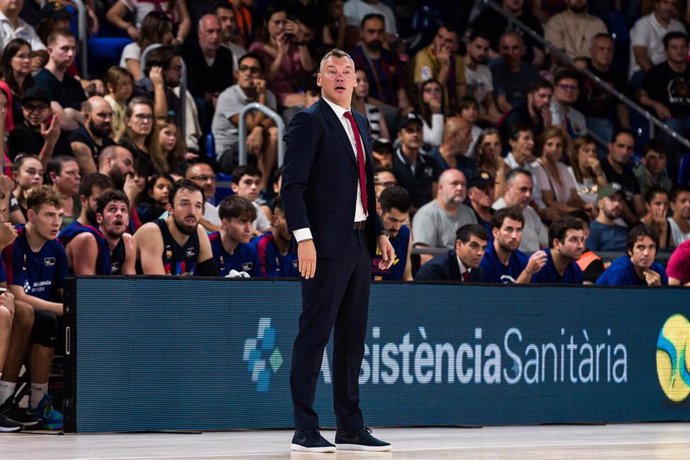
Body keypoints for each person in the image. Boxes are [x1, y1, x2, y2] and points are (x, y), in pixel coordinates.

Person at [281, 48, 393, 452]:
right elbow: (291, 188)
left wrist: (378, 231)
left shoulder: (361, 122)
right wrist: (304, 238)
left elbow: (367, 184)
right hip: (325, 244)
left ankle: (350, 425)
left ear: (357, 80)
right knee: (314, 335)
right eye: (332, 71)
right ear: (320, 79)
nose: (341, 76)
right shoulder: (308, 121)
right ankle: (304, 428)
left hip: (360, 241)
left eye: (348, 71)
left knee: (352, 338)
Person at [3, 186, 67, 430]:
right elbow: (17, 295)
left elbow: (64, 292)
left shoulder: (57, 248)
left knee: (58, 322)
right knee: (40, 316)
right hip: (18, 313)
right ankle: (7, 399)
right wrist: (65, 309)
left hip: (44, 315)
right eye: (49, 215)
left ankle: (41, 402)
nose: (56, 222)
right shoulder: (14, 243)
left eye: (60, 216)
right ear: (30, 216)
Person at [212, 52, 278, 184]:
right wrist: (262, 98)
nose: (248, 73)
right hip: (229, 153)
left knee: (275, 133)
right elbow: (251, 125)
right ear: (237, 74)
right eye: (244, 69)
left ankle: (262, 189)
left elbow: (273, 119)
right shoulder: (228, 96)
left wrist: (259, 129)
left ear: (261, 75)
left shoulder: (268, 94)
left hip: (256, 148)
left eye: (254, 70)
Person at [134, 180, 218, 276]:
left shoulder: (199, 232)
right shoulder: (151, 232)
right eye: (184, 204)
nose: (192, 211)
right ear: (170, 208)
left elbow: (213, 281)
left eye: (198, 206)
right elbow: (157, 287)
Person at [248, 6, 315, 109]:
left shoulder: (292, 46)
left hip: (295, 91)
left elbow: (308, 68)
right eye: (277, 22)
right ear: (267, 24)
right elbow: (267, 78)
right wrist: (281, 53)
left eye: (284, 23)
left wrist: (301, 40)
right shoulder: (258, 47)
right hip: (272, 93)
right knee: (312, 101)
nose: (281, 27)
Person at [639, 31, 690, 164]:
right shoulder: (657, 72)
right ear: (666, 50)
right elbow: (641, 97)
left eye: (683, 47)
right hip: (670, 120)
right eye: (674, 47)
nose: (679, 51)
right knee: (672, 127)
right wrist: (655, 104)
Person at [412, 168, 477, 265]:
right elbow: (425, 257)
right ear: (440, 188)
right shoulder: (426, 214)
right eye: (454, 184)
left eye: (463, 184)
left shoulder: (469, 212)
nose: (460, 188)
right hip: (441, 275)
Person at [182, 14, 235, 131]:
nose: (215, 36)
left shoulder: (225, 54)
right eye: (210, 32)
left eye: (218, 31)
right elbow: (190, 85)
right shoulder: (187, 51)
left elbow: (228, 84)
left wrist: (219, 96)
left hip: (219, 98)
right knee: (201, 104)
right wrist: (211, 97)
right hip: (196, 100)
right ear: (199, 33)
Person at [63, 189, 135, 275]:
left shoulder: (128, 241)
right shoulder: (87, 240)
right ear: (99, 218)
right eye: (112, 209)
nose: (119, 214)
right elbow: (87, 286)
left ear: (127, 221)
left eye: (123, 210)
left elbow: (130, 285)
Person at [576, 33, 630, 147]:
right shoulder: (582, 66)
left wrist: (627, 133)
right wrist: (575, 65)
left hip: (601, 118)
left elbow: (621, 106)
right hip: (577, 115)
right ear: (591, 51)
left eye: (610, 49)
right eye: (601, 49)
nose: (606, 53)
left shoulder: (617, 74)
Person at [350, 13, 411, 112]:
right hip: (366, 112)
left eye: (380, 32)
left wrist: (405, 109)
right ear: (361, 33)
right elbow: (358, 95)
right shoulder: (353, 59)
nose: (376, 36)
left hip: (394, 112)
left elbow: (400, 90)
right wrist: (390, 111)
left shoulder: (392, 58)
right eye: (371, 32)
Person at [534, 128, 594, 219]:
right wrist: (578, 212)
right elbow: (549, 202)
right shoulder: (538, 167)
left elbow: (575, 197)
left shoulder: (562, 167)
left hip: (573, 212)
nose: (554, 149)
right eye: (549, 144)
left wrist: (585, 206)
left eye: (559, 145)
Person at [33, 29, 86, 131]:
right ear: (50, 51)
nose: (71, 54)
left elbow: (89, 116)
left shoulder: (74, 83)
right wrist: (85, 126)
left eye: (73, 48)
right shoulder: (40, 82)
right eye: (65, 49)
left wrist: (71, 113)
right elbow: (61, 121)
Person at [479, 206, 547, 284]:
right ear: (495, 232)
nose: (514, 236)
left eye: (518, 230)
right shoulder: (483, 260)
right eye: (509, 229)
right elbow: (495, 296)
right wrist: (527, 273)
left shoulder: (523, 261)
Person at [628, 0, 685, 86]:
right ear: (657, 5)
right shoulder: (642, 25)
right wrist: (662, 77)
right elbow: (641, 59)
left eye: (673, 4)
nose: (669, 7)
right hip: (644, 72)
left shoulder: (679, 26)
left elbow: (687, 53)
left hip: (674, 71)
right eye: (665, 2)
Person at [391, 113, 440, 210]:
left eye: (419, 130)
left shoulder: (431, 162)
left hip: (430, 215)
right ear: (400, 135)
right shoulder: (392, 162)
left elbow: (436, 196)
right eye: (410, 130)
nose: (415, 134)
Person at [493, 168, 548, 253]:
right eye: (523, 189)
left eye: (530, 190)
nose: (528, 195)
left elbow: (545, 244)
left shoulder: (530, 211)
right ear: (507, 189)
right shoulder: (495, 211)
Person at [413, 24, 466, 110]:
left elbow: (461, 98)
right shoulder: (424, 58)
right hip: (424, 110)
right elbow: (431, 97)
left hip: (448, 110)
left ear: (456, 47)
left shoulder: (458, 61)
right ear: (434, 38)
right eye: (440, 37)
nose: (442, 43)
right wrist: (445, 67)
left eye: (448, 41)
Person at [596, 224, 668, 286]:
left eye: (651, 247)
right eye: (641, 247)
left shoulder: (659, 271)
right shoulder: (620, 271)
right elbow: (618, 301)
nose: (646, 253)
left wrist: (658, 290)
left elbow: (668, 301)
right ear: (630, 251)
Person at [415, 223, 488, 282]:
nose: (480, 253)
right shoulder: (436, 270)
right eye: (474, 246)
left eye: (484, 248)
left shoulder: (477, 272)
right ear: (459, 244)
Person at [600, 129, 645, 226]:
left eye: (629, 148)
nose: (625, 152)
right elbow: (617, 202)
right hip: (611, 223)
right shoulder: (600, 168)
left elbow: (640, 208)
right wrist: (638, 226)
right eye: (621, 146)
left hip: (631, 227)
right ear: (610, 146)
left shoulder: (631, 174)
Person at [6, 86, 61, 163]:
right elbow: (34, 171)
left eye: (41, 107)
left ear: (50, 110)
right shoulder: (17, 135)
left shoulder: (55, 131)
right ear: (22, 109)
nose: (35, 112)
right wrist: (50, 142)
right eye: (30, 107)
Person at [209, 195, 260, 277]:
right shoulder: (208, 247)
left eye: (251, 222)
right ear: (225, 224)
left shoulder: (250, 250)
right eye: (242, 222)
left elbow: (257, 286)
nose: (249, 229)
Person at [490, 32, 541, 114]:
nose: (510, 53)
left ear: (523, 50)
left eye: (515, 48)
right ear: (499, 50)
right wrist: (521, 117)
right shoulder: (494, 69)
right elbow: (502, 104)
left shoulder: (532, 71)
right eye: (505, 48)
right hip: (507, 117)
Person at [118, 11, 174, 81]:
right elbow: (140, 80)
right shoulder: (132, 50)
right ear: (155, 33)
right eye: (167, 31)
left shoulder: (165, 53)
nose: (171, 36)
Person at [372, 185, 413, 281]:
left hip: (393, 293)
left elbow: (407, 277)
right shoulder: (363, 232)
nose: (397, 227)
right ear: (379, 209)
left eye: (402, 221)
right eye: (392, 220)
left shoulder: (405, 235)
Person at [106, 0, 191, 46]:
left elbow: (185, 20)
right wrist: (128, 26)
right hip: (145, 42)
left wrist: (179, 39)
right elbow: (111, 14)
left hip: (169, 42)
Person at [253, 195, 299, 278]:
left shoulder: (301, 247)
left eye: (297, 219)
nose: (293, 225)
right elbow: (264, 287)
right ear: (274, 220)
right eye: (287, 218)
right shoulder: (262, 245)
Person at [530, 216, 585, 284]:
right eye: (574, 240)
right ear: (556, 244)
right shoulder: (538, 266)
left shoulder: (575, 270)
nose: (581, 246)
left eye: (582, 240)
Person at [69, 96, 115, 175]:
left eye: (110, 115)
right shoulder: (79, 140)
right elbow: (93, 179)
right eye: (102, 115)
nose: (108, 120)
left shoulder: (109, 142)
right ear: (87, 117)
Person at [463, 29, 501, 125]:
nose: (482, 52)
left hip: (482, 118)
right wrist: (489, 118)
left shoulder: (485, 71)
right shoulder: (459, 68)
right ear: (468, 46)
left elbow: (490, 104)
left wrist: (499, 118)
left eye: (486, 49)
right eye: (478, 47)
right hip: (464, 118)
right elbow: (461, 106)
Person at [499, 79, 553, 145]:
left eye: (549, 97)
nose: (546, 101)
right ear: (530, 96)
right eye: (542, 96)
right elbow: (523, 146)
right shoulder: (517, 117)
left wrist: (548, 129)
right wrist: (546, 132)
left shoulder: (544, 116)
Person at [0, 38, 35, 126]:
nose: (27, 60)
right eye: (21, 56)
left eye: (29, 56)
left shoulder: (32, 85)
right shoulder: (2, 88)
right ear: (9, 60)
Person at [586, 182, 629, 252]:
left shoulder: (624, 230)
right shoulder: (592, 230)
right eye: (612, 199)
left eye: (620, 200)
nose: (617, 204)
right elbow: (590, 260)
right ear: (600, 203)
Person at [230, 164, 271, 234]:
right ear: (234, 187)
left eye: (257, 183)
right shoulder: (226, 208)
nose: (254, 187)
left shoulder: (255, 206)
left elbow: (269, 231)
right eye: (248, 182)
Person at [568, 135, 607, 206]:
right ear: (577, 154)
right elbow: (572, 198)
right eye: (586, 151)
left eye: (594, 151)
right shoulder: (568, 172)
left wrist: (599, 174)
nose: (591, 154)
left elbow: (607, 197)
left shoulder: (600, 174)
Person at [351, 69, 389, 141]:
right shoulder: (345, 111)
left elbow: (386, 140)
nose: (363, 84)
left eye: (365, 80)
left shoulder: (375, 110)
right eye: (357, 81)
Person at [550, 68, 587, 139]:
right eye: (564, 87)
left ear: (578, 92)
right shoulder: (548, 109)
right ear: (554, 88)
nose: (569, 90)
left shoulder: (579, 117)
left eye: (573, 87)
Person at [184, 161, 221, 231]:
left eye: (213, 178)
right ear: (187, 181)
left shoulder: (214, 212)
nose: (209, 182)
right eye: (203, 177)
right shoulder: (176, 211)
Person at [46, 155, 80, 228]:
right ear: (53, 176)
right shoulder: (44, 202)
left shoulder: (82, 201)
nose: (78, 176)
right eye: (71, 172)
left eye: (78, 172)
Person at [9, 154, 42, 224]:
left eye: (41, 173)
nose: (37, 177)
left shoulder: (43, 201)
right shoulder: (7, 200)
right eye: (31, 172)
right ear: (15, 175)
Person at [103, 66, 134, 137]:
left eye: (130, 83)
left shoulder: (124, 106)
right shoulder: (109, 105)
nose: (128, 87)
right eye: (123, 84)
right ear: (110, 87)